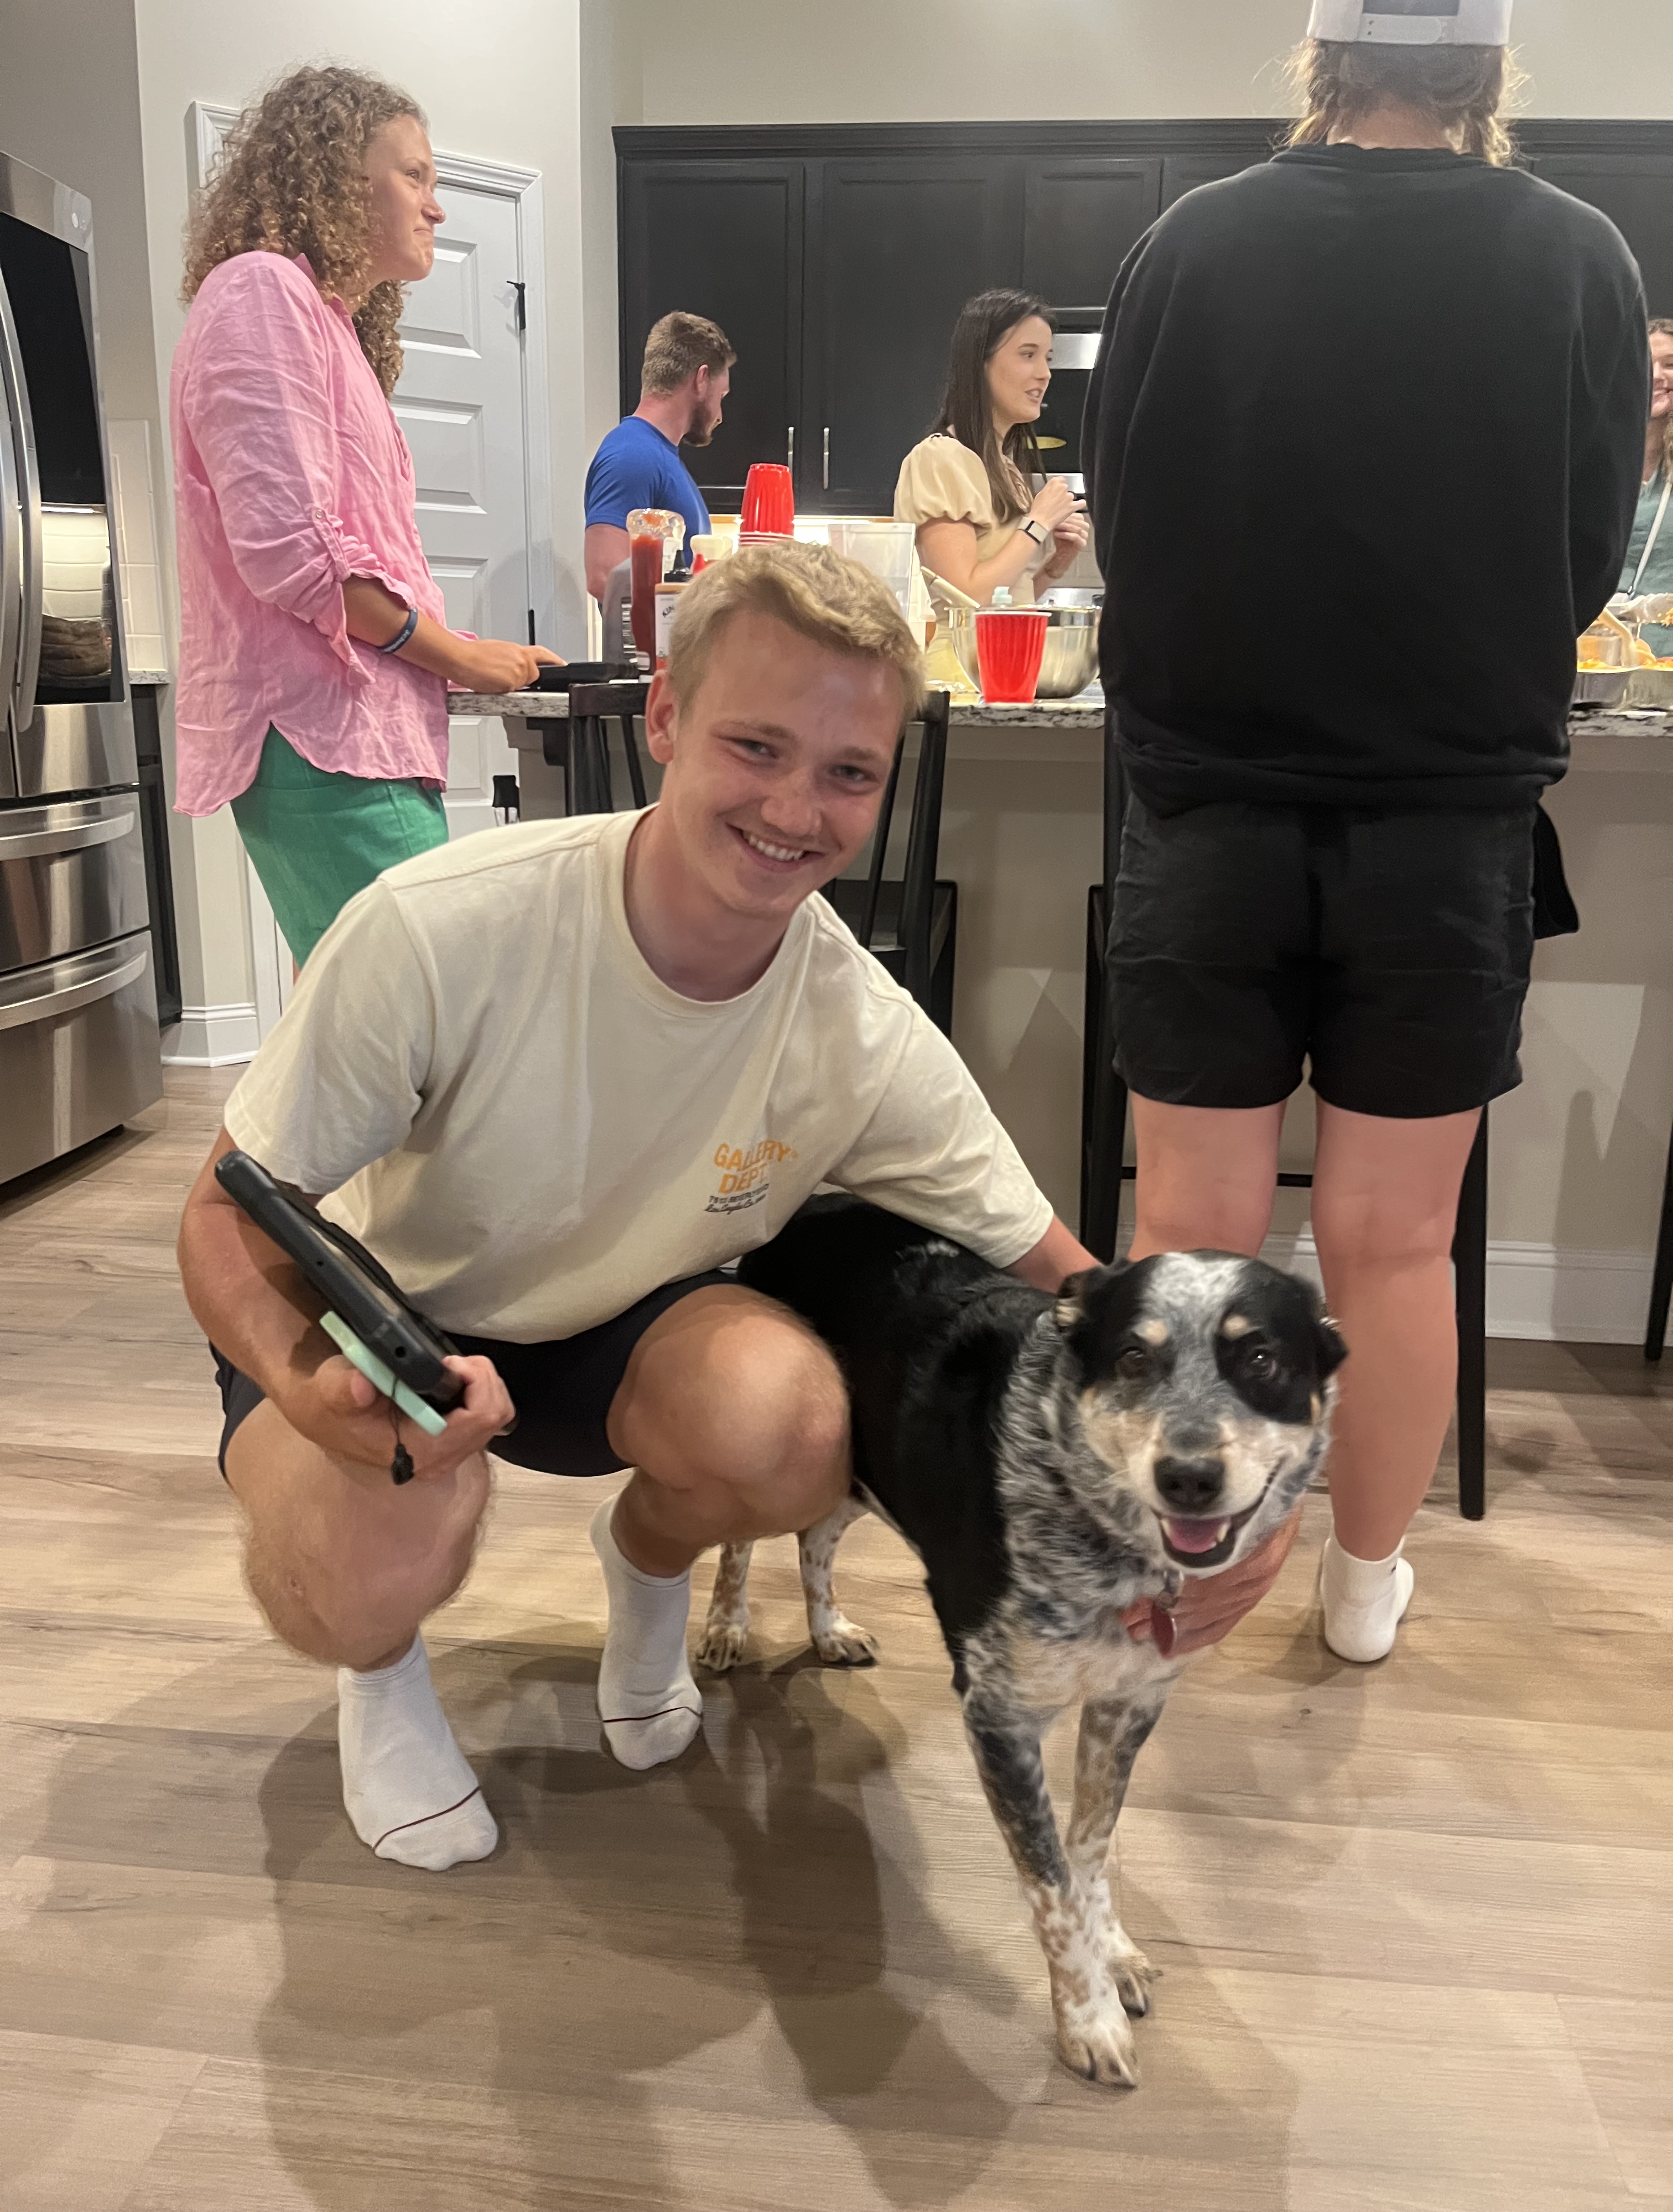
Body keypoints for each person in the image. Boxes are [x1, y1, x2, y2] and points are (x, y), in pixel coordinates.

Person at [175, 544, 1290, 1873]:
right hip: (389, 1327)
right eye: (756, 746)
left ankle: (648, 1573)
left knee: (795, 1424)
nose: (795, 807)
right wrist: (302, 1386)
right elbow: (222, 1216)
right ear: (665, 718)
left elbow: (1070, 1277)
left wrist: (1224, 1464)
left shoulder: (856, 1023)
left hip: (616, 1339)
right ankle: (380, 1669)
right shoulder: (438, 930)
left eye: (850, 772)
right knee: (372, 1543)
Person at [1082, 0, 1646, 1663]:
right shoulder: (1580, 259)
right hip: (1445, 818)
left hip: (1210, 805)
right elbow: (1586, 557)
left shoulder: (1190, 244)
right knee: (1397, 1248)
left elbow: (1127, 521)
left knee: (1189, 1229)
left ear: (1324, 54)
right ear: (1489, 62)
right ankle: (1362, 1587)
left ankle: (1176, 1570)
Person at [172, 65, 558, 966]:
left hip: (355, 737)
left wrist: (464, 659)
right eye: (414, 175)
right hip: (324, 737)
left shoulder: (322, 318)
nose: (436, 207)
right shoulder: (261, 292)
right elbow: (293, 555)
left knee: (381, 1018)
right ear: (339, 177)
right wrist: (459, 656)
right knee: (425, 1012)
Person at [895, 289, 1090, 608]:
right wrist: (1038, 523)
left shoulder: (1005, 468)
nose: (1045, 374)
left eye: (1048, 359)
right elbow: (965, 599)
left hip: (1002, 642)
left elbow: (1006, 602)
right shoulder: (940, 458)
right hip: (960, 644)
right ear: (980, 363)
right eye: (1028, 355)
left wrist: (1055, 565)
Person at [583, 311, 732, 601]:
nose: (720, 415)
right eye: (721, 396)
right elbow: (604, 576)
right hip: (652, 635)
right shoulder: (634, 455)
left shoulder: (659, 456)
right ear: (702, 380)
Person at [1617, 318, 1673, 650]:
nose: (1656, 375)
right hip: (1596, 656)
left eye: (1671, 365)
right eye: (1645, 363)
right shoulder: (1591, 462)